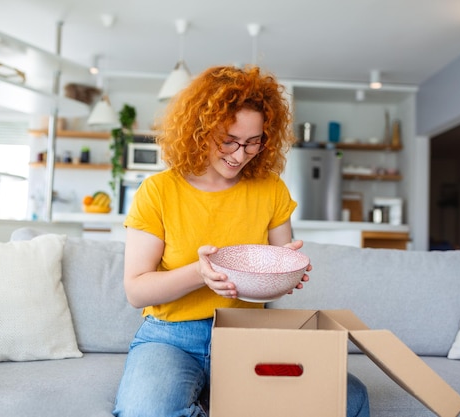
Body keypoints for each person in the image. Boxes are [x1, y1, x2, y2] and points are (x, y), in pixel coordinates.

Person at [112, 65, 369, 417]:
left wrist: (287, 270)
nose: (239, 154)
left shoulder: (271, 189)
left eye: (253, 142)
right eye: (228, 141)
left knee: (349, 397)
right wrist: (201, 273)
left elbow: (277, 263)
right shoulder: (157, 192)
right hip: (170, 338)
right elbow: (136, 291)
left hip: (248, 333)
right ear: (200, 131)